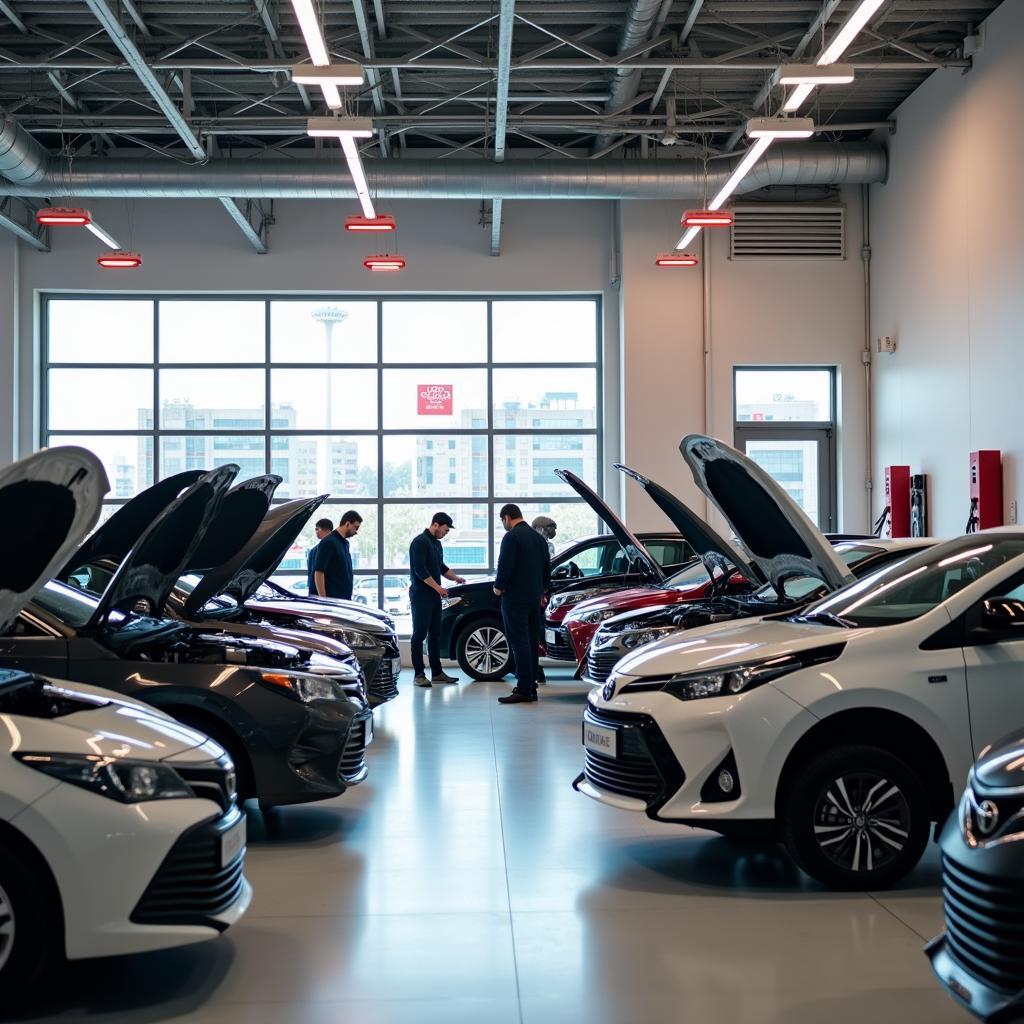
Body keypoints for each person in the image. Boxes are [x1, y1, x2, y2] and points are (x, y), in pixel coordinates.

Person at [494, 503, 551, 705]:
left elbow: (505, 565)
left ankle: (524, 689)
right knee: (531, 641)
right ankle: (531, 685)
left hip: (515, 599)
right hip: (533, 599)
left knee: (519, 642)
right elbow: (547, 567)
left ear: (507, 518)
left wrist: (498, 587)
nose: (504, 525)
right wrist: (542, 590)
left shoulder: (511, 537)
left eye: (503, 521)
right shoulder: (539, 538)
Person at [408, 512, 467, 688]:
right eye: (445, 530)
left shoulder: (436, 544)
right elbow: (420, 570)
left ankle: (437, 672)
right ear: (435, 524)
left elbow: (440, 567)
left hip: (434, 597)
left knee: (435, 634)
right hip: (421, 596)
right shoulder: (419, 542)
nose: (445, 533)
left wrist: (455, 578)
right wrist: (438, 588)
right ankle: (419, 674)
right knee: (419, 635)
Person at [313, 510, 362, 600]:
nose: (356, 531)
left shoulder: (345, 543)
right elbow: (319, 572)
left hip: (344, 599)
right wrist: (324, 600)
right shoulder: (328, 542)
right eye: (355, 527)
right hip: (333, 601)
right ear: (347, 524)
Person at [306, 518, 333, 594]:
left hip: (318, 590)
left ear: (327, 530)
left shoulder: (317, 549)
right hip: (320, 591)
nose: (316, 532)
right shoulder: (314, 550)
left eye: (317, 529)